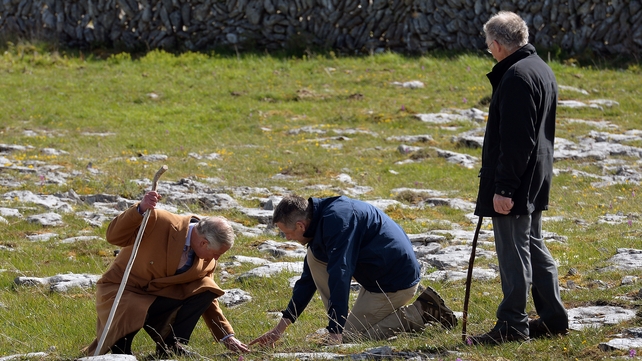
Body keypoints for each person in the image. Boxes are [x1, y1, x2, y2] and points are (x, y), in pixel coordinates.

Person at [470, 11, 568, 345]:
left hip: (518, 180)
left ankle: (513, 325)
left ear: (497, 45)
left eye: (488, 46)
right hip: (536, 175)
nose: (489, 51)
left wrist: (503, 188)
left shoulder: (515, 77)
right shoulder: (540, 68)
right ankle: (554, 318)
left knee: (513, 253)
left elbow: (516, 140)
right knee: (533, 246)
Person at [250, 195, 456, 347]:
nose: (287, 239)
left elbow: (340, 273)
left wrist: (336, 332)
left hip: (395, 284)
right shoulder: (320, 218)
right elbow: (307, 281)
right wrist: (279, 329)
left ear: (300, 225)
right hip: (374, 277)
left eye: (287, 233)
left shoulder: (337, 222)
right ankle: (341, 321)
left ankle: (422, 311)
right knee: (314, 257)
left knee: (351, 338)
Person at [85, 190, 249, 356]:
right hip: (124, 290)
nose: (216, 258)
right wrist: (140, 209)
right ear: (203, 242)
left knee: (207, 287)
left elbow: (209, 298)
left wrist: (226, 335)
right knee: (131, 308)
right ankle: (121, 350)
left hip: (157, 297)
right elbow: (113, 236)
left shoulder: (207, 261)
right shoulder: (159, 220)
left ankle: (171, 347)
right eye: (217, 253)